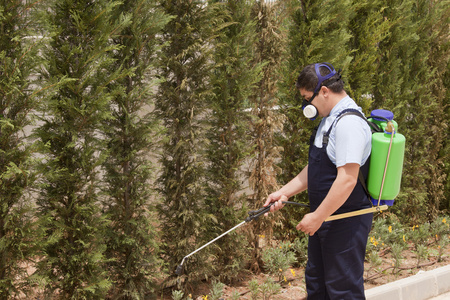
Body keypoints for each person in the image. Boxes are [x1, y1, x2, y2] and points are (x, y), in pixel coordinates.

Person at [264, 62, 373, 299]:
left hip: (345, 221)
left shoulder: (348, 124)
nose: (306, 106)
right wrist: (284, 192)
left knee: (343, 290)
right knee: (317, 284)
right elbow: (316, 168)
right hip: (325, 218)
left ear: (324, 91)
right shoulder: (330, 118)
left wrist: (317, 216)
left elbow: (347, 180)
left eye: (307, 98)